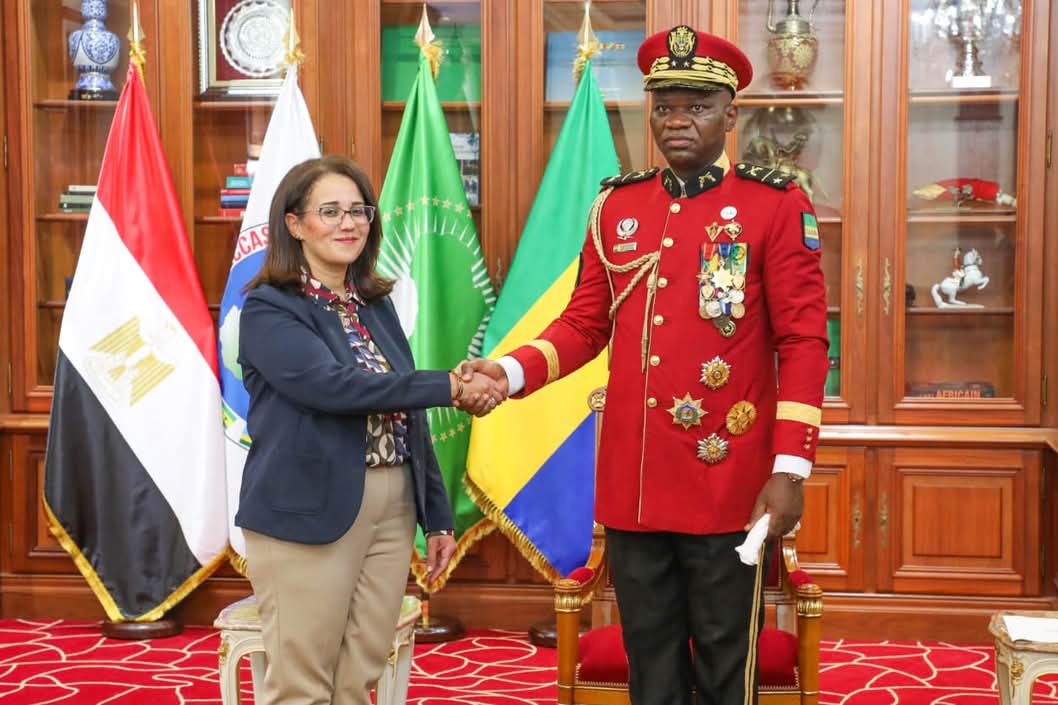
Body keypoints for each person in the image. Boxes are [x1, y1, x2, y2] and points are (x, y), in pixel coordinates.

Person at [461, 25, 828, 705]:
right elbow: (583, 325)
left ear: (730, 116)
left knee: (725, 663)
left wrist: (790, 469)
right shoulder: (618, 206)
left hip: (728, 481)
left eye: (697, 106)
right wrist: (507, 372)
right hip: (634, 482)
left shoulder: (773, 206)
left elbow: (805, 342)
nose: (677, 120)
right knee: (650, 665)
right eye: (664, 106)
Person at [235, 155, 503, 704]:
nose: (349, 223)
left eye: (358, 210)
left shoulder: (373, 306)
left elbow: (406, 413)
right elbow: (334, 388)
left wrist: (437, 516)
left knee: (360, 675)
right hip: (307, 510)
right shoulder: (269, 309)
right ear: (294, 224)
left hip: (391, 505)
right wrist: (452, 386)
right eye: (330, 211)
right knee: (302, 682)